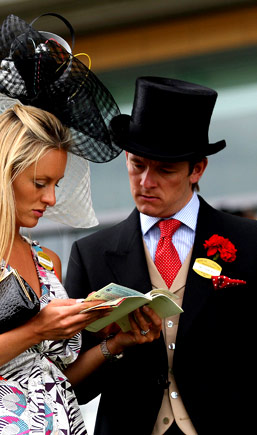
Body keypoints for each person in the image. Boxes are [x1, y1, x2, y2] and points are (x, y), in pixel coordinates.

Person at [0, 14, 162, 434]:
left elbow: (54, 377)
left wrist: (115, 345)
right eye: (40, 182)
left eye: (57, 184)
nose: (51, 198)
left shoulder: (46, 262)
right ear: (2, 174)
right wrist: (37, 329)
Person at [65, 76, 257, 434]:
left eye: (165, 170)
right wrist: (112, 345)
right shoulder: (90, 254)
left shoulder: (251, 242)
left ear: (197, 168)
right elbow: (74, 386)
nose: (145, 181)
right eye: (137, 164)